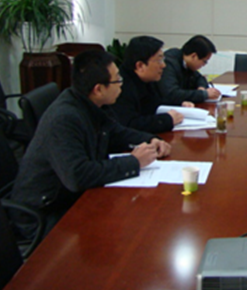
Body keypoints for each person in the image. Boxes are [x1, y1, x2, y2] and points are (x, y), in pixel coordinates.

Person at [11, 50, 171, 237]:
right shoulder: (64, 118)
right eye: (117, 80)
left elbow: (116, 133)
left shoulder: (90, 103)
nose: (122, 84)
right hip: (46, 213)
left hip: (70, 197)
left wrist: (150, 139)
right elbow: (77, 176)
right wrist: (134, 162)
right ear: (98, 89)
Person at [112, 36, 194, 133]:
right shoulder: (120, 87)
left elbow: (155, 104)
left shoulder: (148, 79)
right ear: (140, 66)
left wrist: (179, 104)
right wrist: (167, 120)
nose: (163, 65)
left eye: (163, 59)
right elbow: (130, 124)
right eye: (159, 60)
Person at [159, 35, 221, 105]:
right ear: (194, 56)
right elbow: (172, 94)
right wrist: (203, 94)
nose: (204, 65)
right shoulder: (169, 64)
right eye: (204, 61)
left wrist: (201, 88)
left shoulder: (187, 63)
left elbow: (200, 78)